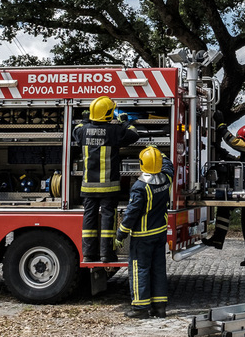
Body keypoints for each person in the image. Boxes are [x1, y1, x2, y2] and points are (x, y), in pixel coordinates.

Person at [72, 97, 139, 263]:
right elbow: (133, 135)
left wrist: (85, 119)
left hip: (88, 187)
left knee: (89, 218)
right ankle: (106, 254)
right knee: (108, 219)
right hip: (109, 188)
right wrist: (125, 122)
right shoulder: (113, 131)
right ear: (109, 114)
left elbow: (76, 130)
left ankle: (88, 254)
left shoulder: (84, 130)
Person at [117, 146, 174, 318]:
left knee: (139, 269)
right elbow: (169, 165)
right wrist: (160, 154)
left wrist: (121, 232)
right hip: (159, 233)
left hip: (142, 236)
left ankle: (140, 309)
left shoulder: (139, 187)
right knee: (158, 269)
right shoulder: (166, 179)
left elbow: (132, 213)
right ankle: (159, 308)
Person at [202, 124, 245, 266]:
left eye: (242, 139)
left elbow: (234, 142)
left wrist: (221, 127)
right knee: (224, 207)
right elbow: (239, 160)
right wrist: (223, 153)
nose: (242, 141)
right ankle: (218, 239)